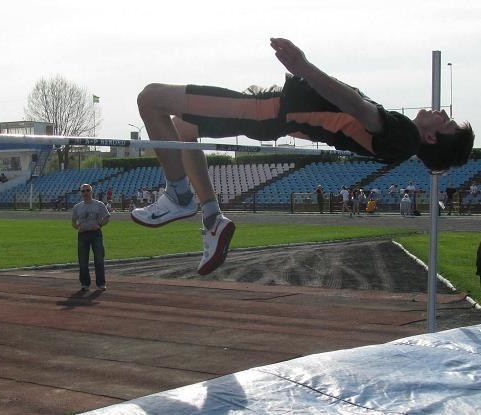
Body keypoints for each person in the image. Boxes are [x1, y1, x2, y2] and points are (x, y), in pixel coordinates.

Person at [131, 37, 474, 275]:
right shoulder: (399, 144)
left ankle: (179, 195)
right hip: (274, 111)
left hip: (266, 110)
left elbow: (354, 106)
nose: (440, 113)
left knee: (149, 98)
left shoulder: (402, 134)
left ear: (431, 137)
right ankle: (211, 218)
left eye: (445, 122)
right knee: (184, 129)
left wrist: (303, 66)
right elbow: (334, 123)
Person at [71, 183, 111, 291]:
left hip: (95, 234)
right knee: (83, 260)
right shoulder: (77, 207)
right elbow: (73, 222)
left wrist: (99, 225)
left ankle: (101, 283)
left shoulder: (99, 204)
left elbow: (107, 217)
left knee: (99, 259)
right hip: (83, 235)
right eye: (83, 191)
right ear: (80, 193)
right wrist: (77, 228)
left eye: (87, 190)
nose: (85, 193)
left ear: (91, 192)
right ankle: (85, 283)